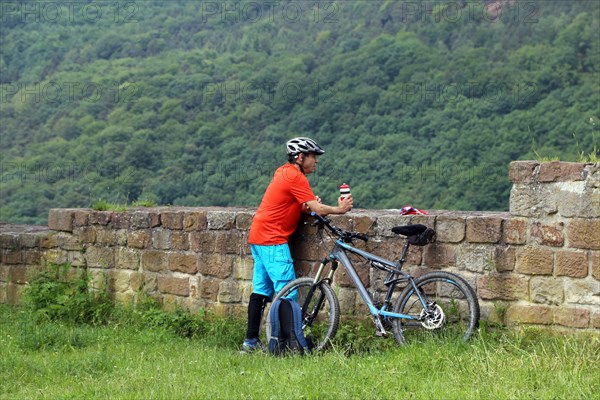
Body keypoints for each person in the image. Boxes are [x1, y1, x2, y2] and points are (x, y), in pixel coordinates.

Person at [242, 137, 353, 352]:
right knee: (288, 292)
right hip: (273, 240)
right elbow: (317, 209)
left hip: (258, 237)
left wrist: (305, 206)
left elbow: (292, 204)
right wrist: (341, 210)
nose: (316, 162)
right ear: (300, 157)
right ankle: (288, 346)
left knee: (261, 292)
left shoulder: (282, 172)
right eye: (313, 157)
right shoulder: (295, 177)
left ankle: (251, 343)